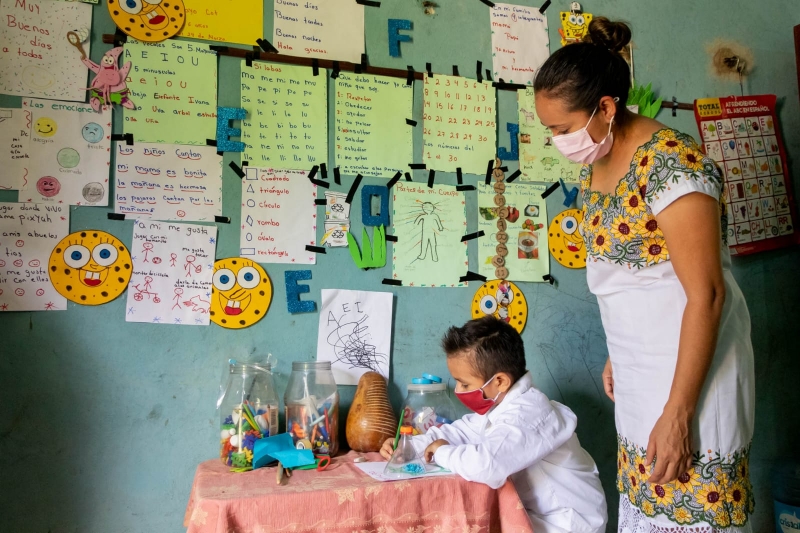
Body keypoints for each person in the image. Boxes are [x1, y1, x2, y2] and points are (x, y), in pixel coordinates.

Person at [533, 17, 755, 532]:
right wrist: (619, 348)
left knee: (695, 502)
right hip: (639, 369)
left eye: (562, 129)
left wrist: (678, 413)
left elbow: (708, 295)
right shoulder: (601, 162)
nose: (557, 141)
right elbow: (631, 273)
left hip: (695, 375)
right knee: (648, 501)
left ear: (606, 108)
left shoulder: (675, 165)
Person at [380, 317, 608, 533]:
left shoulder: (529, 413)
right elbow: (460, 432)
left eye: (464, 383)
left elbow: (486, 465)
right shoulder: (502, 405)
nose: (458, 390)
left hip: (567, 524)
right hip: (537, 515)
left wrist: (441, 452)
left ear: (500, 381)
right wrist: (407, 446)